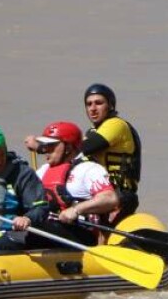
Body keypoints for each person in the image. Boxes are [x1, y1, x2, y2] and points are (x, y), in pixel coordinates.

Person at [32, 121, 120, 246]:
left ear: (68, 148)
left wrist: (76, 210)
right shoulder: (43, 170)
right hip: (49, 229)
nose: (46, 150)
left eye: (51, 145)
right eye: (45, 145)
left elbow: (110, 198)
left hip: (81, 234)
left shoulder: (89, 169)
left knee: (38, 229)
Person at [78, 83, 142, 217]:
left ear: (111, 105)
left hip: (119, 195)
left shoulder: (116, 124)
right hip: (99, 194)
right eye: (89, 104)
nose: (93, 108)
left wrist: (43, 146)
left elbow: (86, 148)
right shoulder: (92, 132)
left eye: (98, 103)